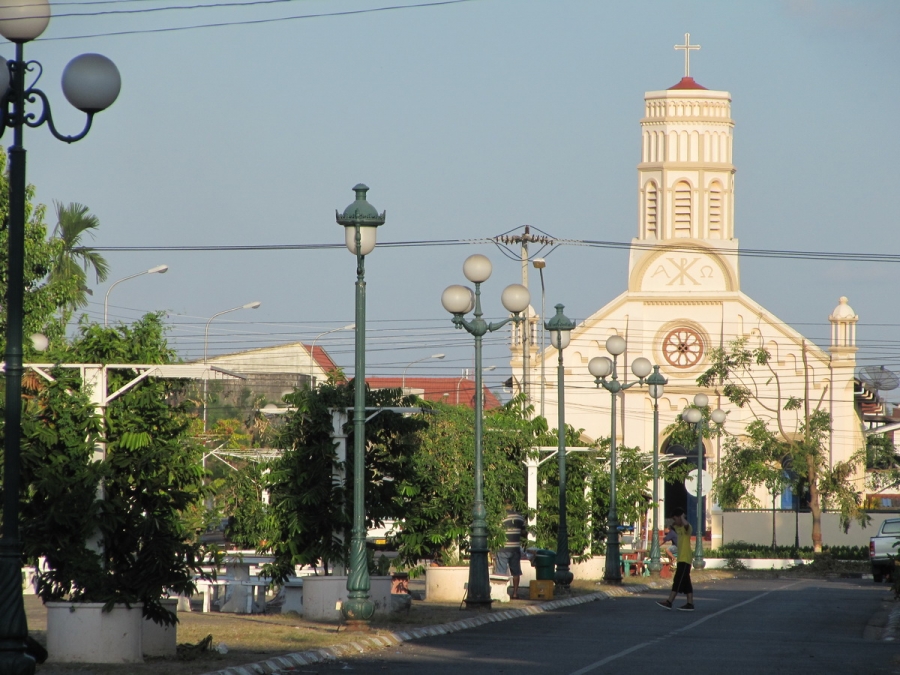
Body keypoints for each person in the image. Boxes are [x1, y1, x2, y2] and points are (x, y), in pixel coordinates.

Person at [656, 507, 694, 611]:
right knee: (686, 582)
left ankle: (669, 602)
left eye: (675, 518)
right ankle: (690, 604)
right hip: (681, 558)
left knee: (677, 580)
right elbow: (673, 526)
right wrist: (677, 519)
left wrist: (681, 517)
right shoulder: (678, 528)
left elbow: (686, 525)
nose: (674, 521)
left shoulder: (687, 528)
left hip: (685, 558)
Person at [494, 501, 526, 599]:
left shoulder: (500, 517)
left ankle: (501, 594)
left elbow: (496, 532)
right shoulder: (519, 517)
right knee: (515, 571)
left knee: (501, 572)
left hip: (502, 548)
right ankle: (515, 593)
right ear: (512, 506)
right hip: (515, 548)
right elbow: (524, 531)